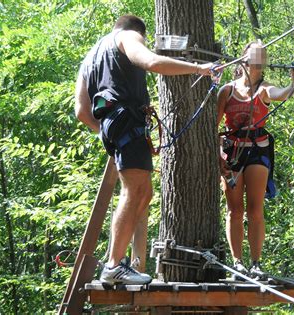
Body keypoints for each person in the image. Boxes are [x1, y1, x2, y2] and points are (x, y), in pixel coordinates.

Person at [75, 15, 214, 285]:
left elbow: (81, 111)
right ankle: (114, 265)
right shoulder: (128, 36)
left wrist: (108, 132)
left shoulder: (90, 58)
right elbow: (150, 62)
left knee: (143, 192)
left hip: (115, 127)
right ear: (139, 32)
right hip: (127, 123)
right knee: (135, 191)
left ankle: (119, 263)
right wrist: (198, 69)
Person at [216, 40, 294, 280]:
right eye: (255, 53)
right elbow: (212, 128)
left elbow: (280, 94)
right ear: (243, 58)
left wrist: (292, 85)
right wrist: (218, 158)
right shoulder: (227, 91)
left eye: (262, 55)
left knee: (255, 210)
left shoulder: (264, 88)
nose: (258, 57)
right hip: (233, 152)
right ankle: (237, 263)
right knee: (234, 210)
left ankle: (256, 263)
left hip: (257, 149)